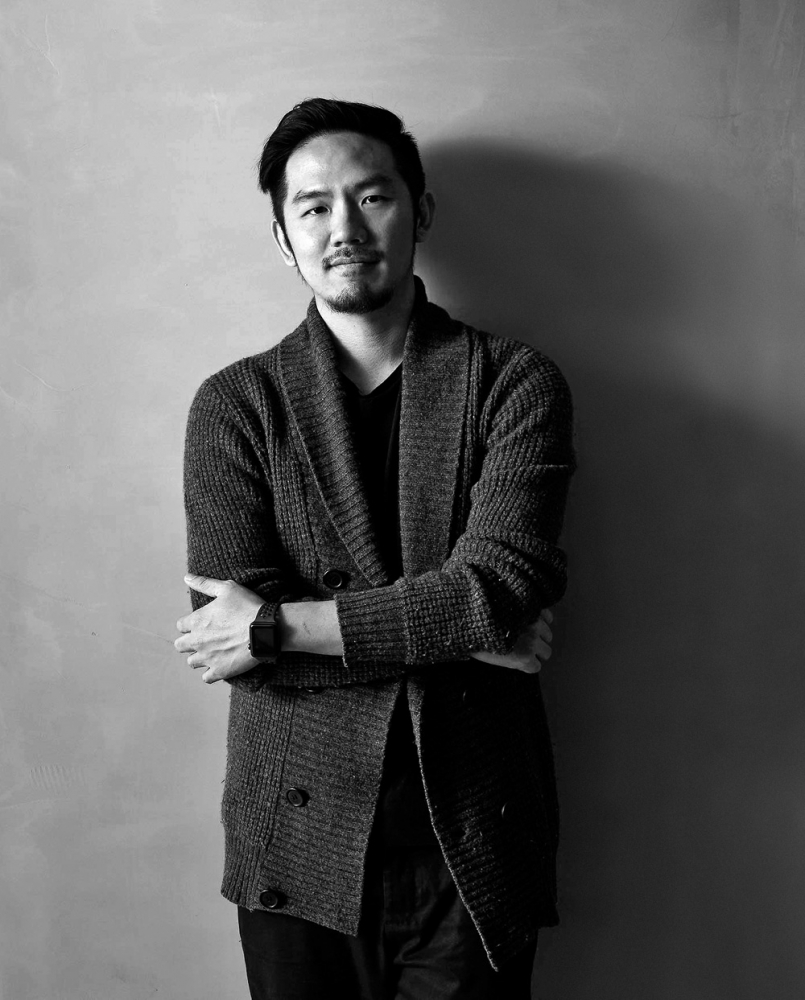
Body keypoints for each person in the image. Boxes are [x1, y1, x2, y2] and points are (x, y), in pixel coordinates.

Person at [175, 98, 574, 1000]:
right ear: (283, 238)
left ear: (418, 211)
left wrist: (276, 628)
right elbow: (224, 640)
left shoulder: (513, 382)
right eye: (313, 206)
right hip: (297, 831)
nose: (344, 229)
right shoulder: (237, 404)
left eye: (371, 197)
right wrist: (466, 630)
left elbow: (499, 585)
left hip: (471, 829)